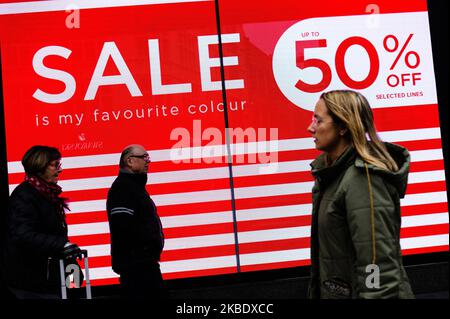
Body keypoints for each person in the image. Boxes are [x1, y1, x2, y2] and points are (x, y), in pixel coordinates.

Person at [306, 90, 414, 299]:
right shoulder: (332, 175)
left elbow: (377, 265)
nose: (310, 128)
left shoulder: (364, 179)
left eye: (318, 121)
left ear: (343, 127)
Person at [3, 145, 83, 299]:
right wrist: (61, 244)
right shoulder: (25, 195)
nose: (60, 170)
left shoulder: (46, 194)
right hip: (31, 284)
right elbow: (23, 234)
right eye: (55, 165)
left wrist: (71, 268)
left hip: (47, 280)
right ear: (39, 167)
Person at [106, 144, 167, 299]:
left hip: (143, 264)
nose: (148, 161)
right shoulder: (123, 189)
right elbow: (122, 229)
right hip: (137, 267)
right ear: (130, 161)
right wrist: (145, 249)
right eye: (144, 157)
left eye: (148, 157)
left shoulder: (134, 187)